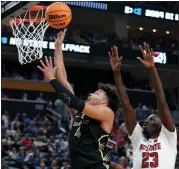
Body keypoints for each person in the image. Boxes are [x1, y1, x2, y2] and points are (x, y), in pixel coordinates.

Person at [37, 30, 122, 169]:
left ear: (104, 102)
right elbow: (63, 79)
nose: (93, 93)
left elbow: (73, 101)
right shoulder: (79, 113)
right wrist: (58, 48)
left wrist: (51, 79)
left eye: (98, 92)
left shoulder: (106, 112)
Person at [109, 44, 177, 169]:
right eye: (146, 120)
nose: (146, 121)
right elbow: (125, 104)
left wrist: (152, 69)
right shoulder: (138, 137)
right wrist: (117, 73)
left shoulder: (169, 137)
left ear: (161, 124)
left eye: (151, 119)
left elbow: (161, 101)